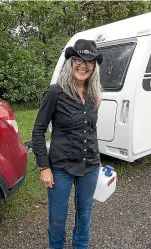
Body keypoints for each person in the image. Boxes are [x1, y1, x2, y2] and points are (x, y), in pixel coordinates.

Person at [32, 39, 103, 249]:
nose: (83, 65)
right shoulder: (55, 92)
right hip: (61, 167)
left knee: (85, 214)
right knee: (57, 218)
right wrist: (44, 167)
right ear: (71, 62)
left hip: (90, 165)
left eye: (89, 61)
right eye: (79, 59)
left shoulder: (93, 95)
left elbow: (90, 130)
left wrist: (98, 159)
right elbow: (38, 131)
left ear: (94, 67)